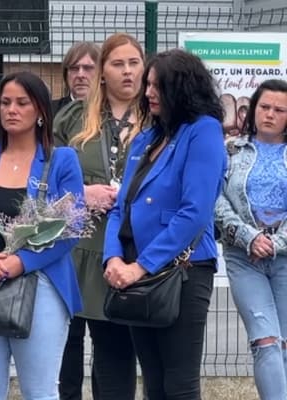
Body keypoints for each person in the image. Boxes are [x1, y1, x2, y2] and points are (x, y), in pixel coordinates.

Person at [0, 71, 85, 399]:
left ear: (40, 110)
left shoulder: (62, 159)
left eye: (22, 103)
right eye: (5, 102)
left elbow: (72, 228)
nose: (11, 109)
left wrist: (20, 263)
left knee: (39, 391)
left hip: (42, 285)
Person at [103, 49, 227, 400]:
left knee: (180, 384)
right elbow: (120, 207)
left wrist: (140, 267)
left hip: (182, 271)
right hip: (134, 270)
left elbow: (195, 212)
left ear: (182, 88)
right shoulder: (146, 138)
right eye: (149, 85)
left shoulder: (203, 131)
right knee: (153, 382)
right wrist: (113, 258)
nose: (148, 93)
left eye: (158, 86)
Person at [53, 33, 144, 400]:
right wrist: (79, 194)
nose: (126, 72)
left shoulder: (157, 117)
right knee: (66, 348)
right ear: (103, 72)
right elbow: (42, 178)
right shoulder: (73, 118)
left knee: (116, 351)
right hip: (76, 246)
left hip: (125, 250)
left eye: (133, 63)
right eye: (117, 64)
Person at [215, 78, 287, 400]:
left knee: (284, 345)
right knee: (266, 341)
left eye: (280, 110)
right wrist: (248, 237)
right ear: (253, 108)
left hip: (283, 257)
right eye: (264, 107)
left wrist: (275, 242)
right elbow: (216, 199)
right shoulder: (231, 151)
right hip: (244, 259)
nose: (270, 114)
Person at [53, 42, 100, 117]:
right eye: (74, 68)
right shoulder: (50, 111)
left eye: (88, 68)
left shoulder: (114, 112)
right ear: (66, 74)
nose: (80, 75)